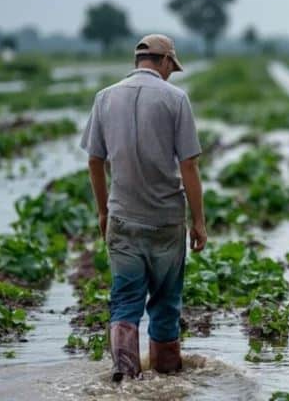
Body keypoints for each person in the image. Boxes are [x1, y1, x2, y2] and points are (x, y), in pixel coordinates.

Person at [80, 34, 207, 382]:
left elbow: (94, 161)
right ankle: (166, 379)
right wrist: (198, 222)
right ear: (165, 62)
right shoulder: (175, 99)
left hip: (122, 218)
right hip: (166, 222)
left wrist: (104, 212)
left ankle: (124, 376)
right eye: (171, 68)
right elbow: (189, 166)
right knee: (166, 302)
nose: (171, 74)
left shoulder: (104, 98)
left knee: (125, 301)